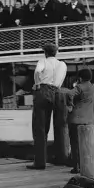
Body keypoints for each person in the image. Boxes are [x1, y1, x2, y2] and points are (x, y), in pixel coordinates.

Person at [27, 42, 69, 170]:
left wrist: (37, 84)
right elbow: (61, 80)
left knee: (40, 128)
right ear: (56, 52)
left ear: (45, 53)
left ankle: (40, 162)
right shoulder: (62, 64)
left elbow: (37, 72)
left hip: (44, 91)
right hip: (58, 93)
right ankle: (62, 158)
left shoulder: (43, 61)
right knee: (61, 126)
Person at [65, 68, 94, 176]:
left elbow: (69, 94)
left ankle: (76, 167)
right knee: (87, 145)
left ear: (80, 78)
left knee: (75, 144)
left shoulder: (79, 87)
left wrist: (70, 105)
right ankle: (87, 166)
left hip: (75, 119)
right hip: (88, 120)